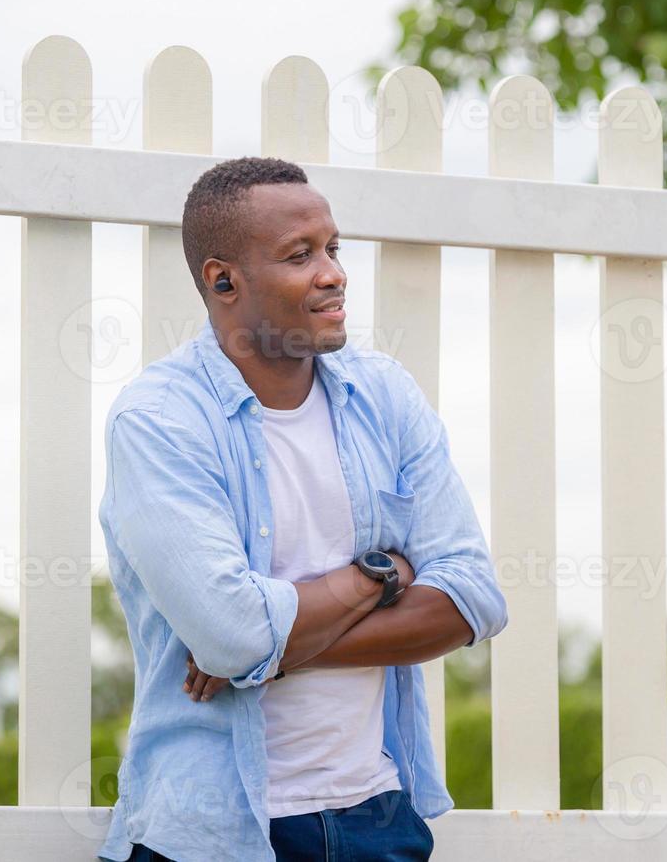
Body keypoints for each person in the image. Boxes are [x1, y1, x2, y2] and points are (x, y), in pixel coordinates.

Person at [95, 156, 509, 862]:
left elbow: (472, 599)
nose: (333, 273)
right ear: (223, 279)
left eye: (333, 248)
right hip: (213, 835)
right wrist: (379, 575)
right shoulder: (159, 420)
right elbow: (227, 634)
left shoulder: (385, 395)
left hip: (376, 819)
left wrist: (267, 652)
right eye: (300, 255)